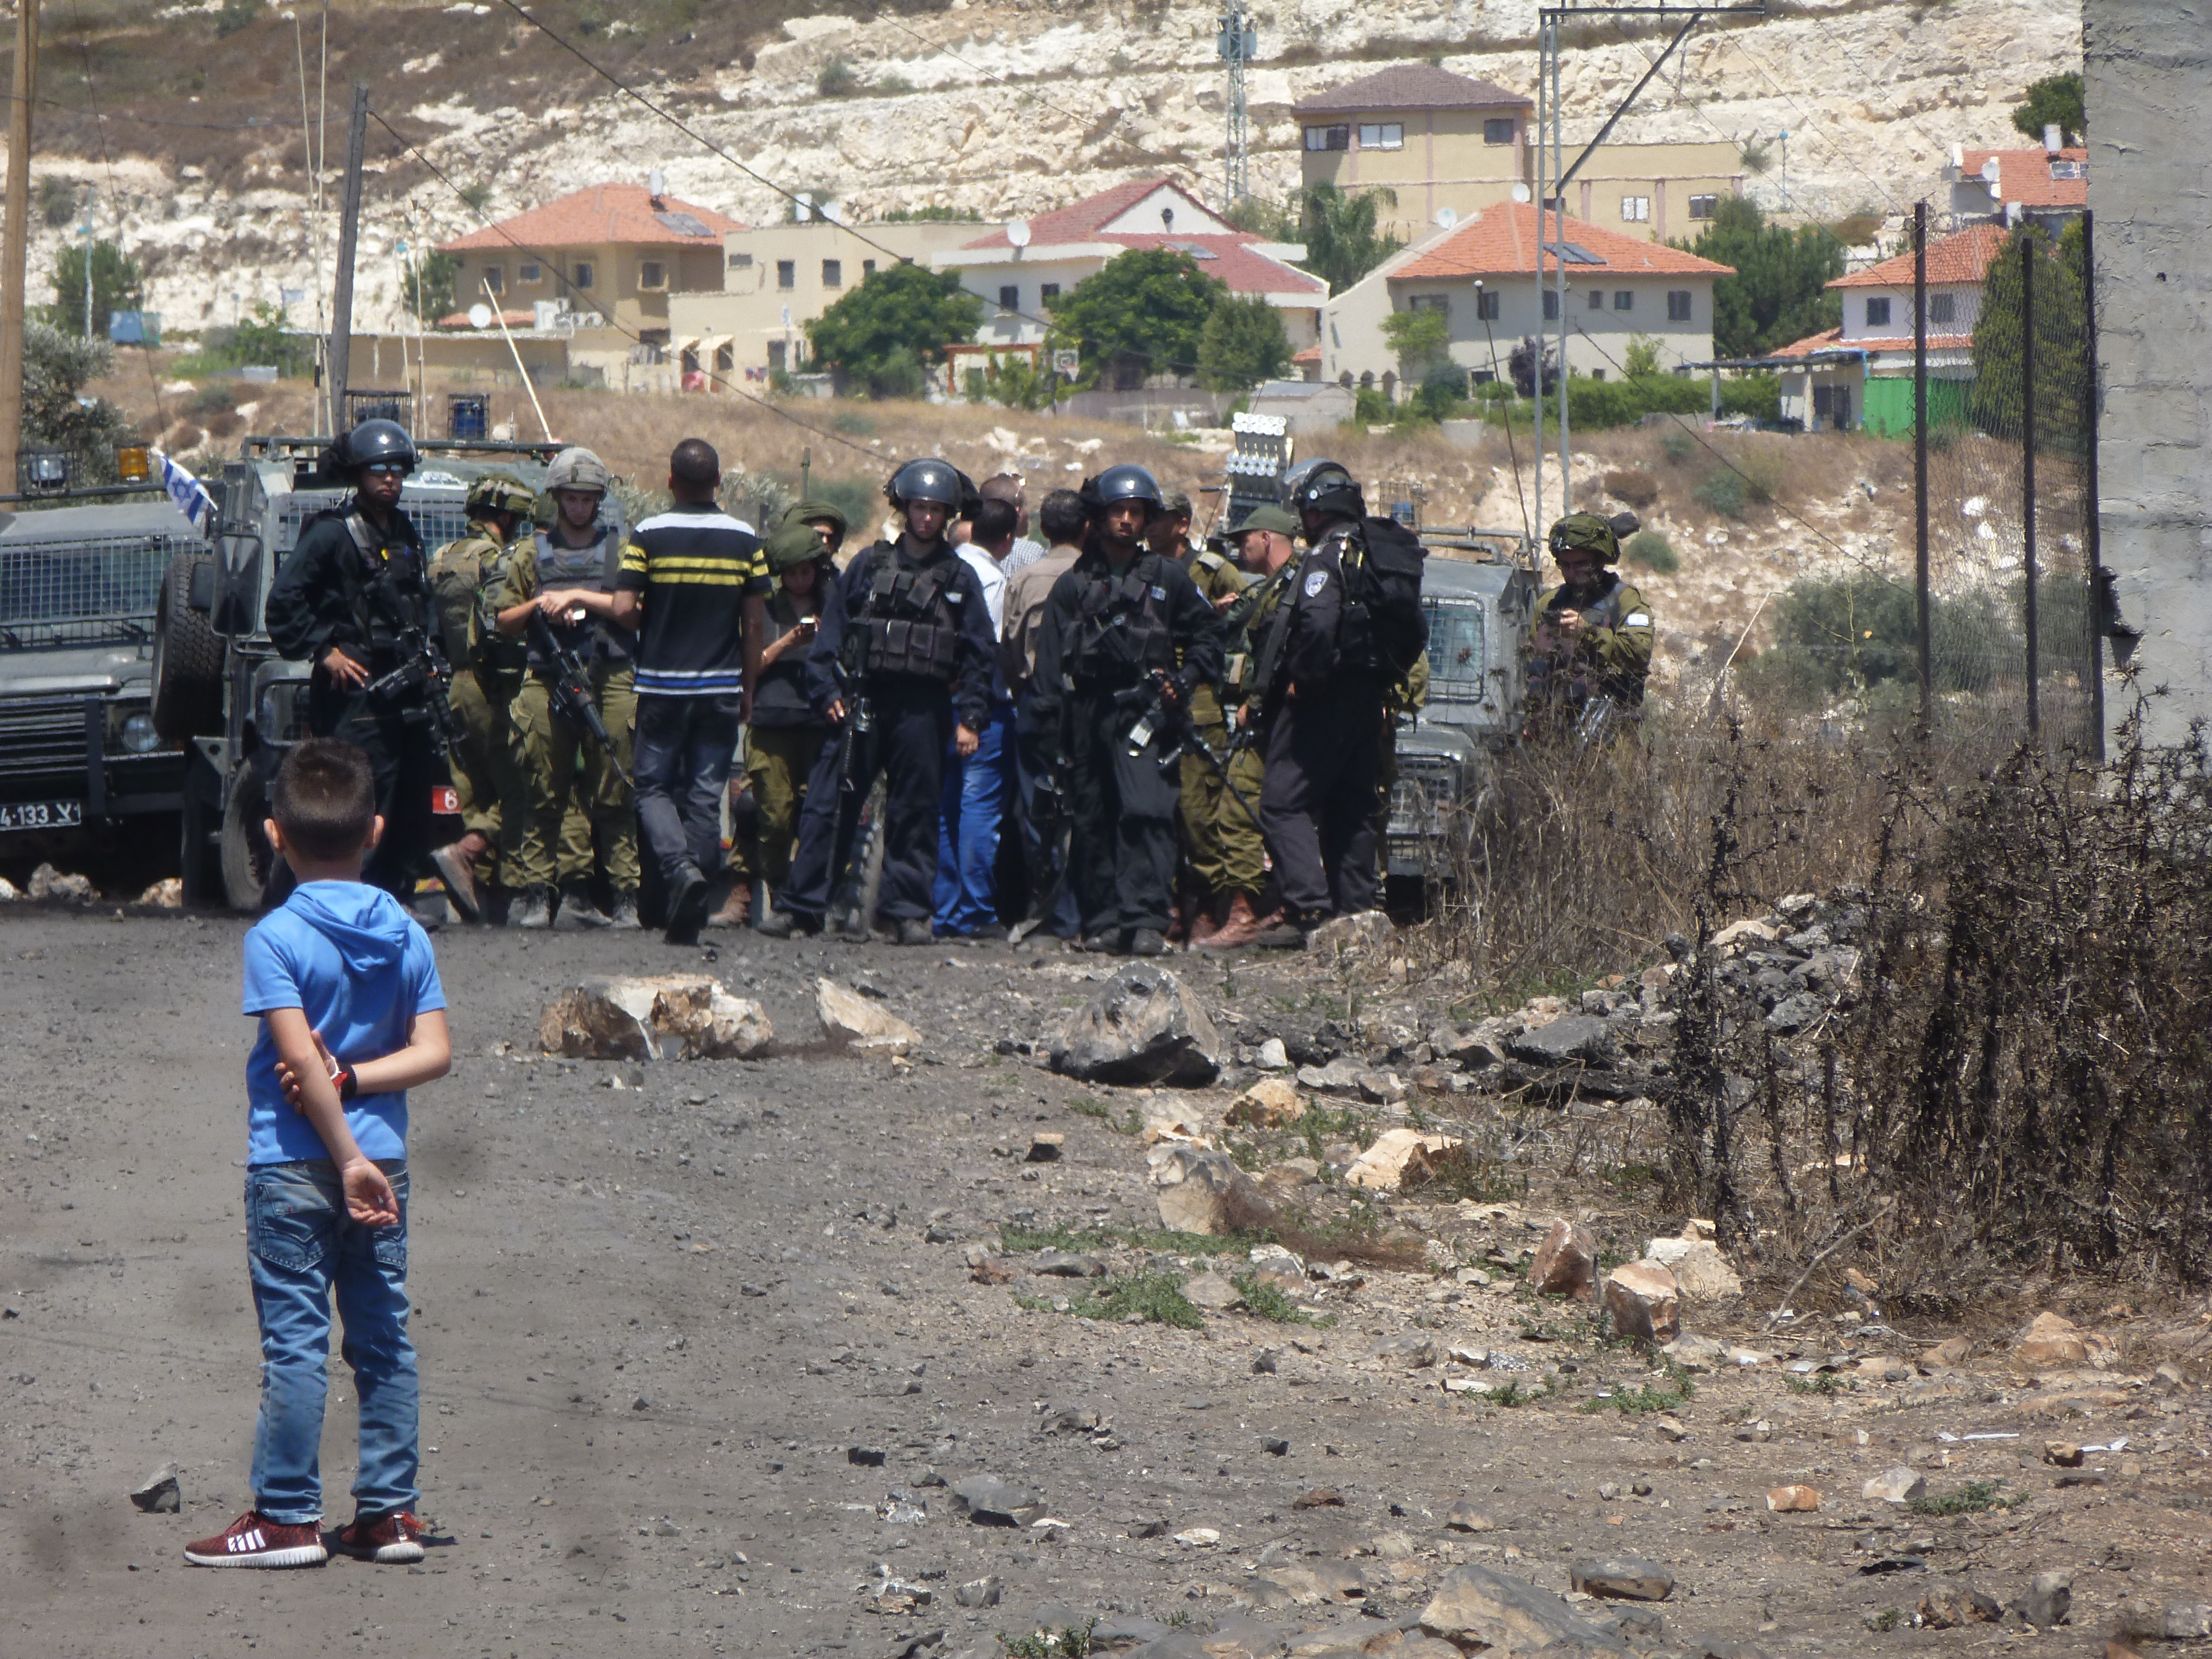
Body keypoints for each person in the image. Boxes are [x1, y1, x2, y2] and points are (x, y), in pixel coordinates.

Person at [185, 737, 451, 1570]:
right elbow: (434, 1052)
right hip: (386, 1163)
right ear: (374, 829)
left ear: (273, 834)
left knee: (296, 1343)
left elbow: (302, 1063)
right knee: (382, 1338)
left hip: (299, 1167)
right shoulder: (408, 931)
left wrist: (343, 1148)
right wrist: (363, 1086)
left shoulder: (276, 936)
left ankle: (289, 1516)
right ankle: (390, 1514)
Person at [763, 458, 995, 944]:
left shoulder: (959, 577)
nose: (927, 518)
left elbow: (979, 652)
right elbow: (832, 635)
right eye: (919, 507)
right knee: (828, 804)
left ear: (947, 514)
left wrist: (971, 718)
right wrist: (826, 691)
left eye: (935, 509)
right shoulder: (869, 566)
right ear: (904, 508)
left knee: (915, 810)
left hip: (924, 706)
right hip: (861, 700)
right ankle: (804, 907)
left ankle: (906, 913)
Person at [1028, 464, 1224, 956]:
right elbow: (1049, 667)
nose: (1127, 521)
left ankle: (1146, 920)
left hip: (1147, 714)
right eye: (1118, 511)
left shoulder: (1169, 578)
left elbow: (1207, 635)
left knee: (1148, 814)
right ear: (1099, 518)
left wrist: (1187, 681)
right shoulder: (1074, 586)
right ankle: (1105, 921)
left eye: (1136, 512)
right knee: (1093, 816)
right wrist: (1051, 739)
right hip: (1089, 715)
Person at [264, 419, 443, 906]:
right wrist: (325, 652)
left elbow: (419, 602)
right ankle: (326, 900)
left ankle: (393, 899)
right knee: (358, 796)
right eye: (378, 470)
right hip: (357, 695)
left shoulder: (404, 531)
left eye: (397, 470)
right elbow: (283, 601)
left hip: (404, 687)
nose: (389, 479)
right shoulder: (331, 534)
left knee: (410, 798)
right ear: (357, 474)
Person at [1252, 460, 1428, 944]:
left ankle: (1309, 912)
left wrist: (1304, 680)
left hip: (1323, 697)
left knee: (1282, 803)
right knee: (1352, 807)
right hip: (1369, 699)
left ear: (1316, 511)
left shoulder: (1327, 559)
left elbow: (1318, 624)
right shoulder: (1376, 557)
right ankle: (1356, 916)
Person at [612, 438, 769, 946]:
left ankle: (679, 870)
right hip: (721, 688)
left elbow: (622, 608)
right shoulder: (746, 540)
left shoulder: (648, 534)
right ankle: (695, 900)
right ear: (719, 481)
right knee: (707, 794)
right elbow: (753, 626)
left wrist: (654, 621)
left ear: (671, 481)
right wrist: (748, 688)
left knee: (654, 788)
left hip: (661, 687)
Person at [493, 447, 641, 931]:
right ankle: (539, 896)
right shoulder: (529, 554)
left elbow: (632, 611)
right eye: (571, 498)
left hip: (610, 676)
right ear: (557, 498)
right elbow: (503, 621)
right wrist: (541, 605)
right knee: (543, 789)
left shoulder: (621, 551)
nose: (579, 507)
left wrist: (576, 597)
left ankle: (626, 899)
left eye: (588, 499)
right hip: (547, 677)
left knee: (616, 789)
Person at [427, 473, 537, 922]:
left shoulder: (441, 558)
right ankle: (469, 854)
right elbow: (498, 624)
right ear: (507, 517)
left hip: (454, 683)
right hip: (492, 684)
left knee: (472, 791)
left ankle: (476, 895)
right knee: (521, 784)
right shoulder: (498, 560)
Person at [1193, 503, 1301, 952]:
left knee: (1239, 812)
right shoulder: (1275, 587)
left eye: (1245, 539)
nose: (1240, 548)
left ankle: (1246, 915)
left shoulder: (1294, 586)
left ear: (1267, 539)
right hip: (1269, 716)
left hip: (1282, 720)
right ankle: (1269, 910)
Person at [718, 520, 834, 929]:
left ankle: (808, 904)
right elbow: (753, 664)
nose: (801, 580)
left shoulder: (833, 605)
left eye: (808, 572)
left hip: (819, 724)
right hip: (771, 722)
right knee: (773, 816)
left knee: (817, 817)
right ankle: (780, 896)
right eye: (794, 573)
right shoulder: (764, 607)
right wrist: (789, 642)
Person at [999, 487, 1087, 941]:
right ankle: (1078, 912)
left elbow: (1010, 648)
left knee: (1038, 810)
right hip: (1088, 710)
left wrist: (1024, 689)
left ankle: (1045, 906)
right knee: (1085, 808)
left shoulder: (1025, 579)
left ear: (1043, 530)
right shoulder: (1096, 576)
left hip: (1038, 705)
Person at [1168, 492, 1252, 944]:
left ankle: (1205, 905)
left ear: (1180, 524)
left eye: (1158, 518)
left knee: (1200, 816)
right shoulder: (1140, 569)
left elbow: (1245, 629)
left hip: (1203, 707)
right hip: (1154, 707)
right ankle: (1170, 906)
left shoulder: (1215, 572)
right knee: (1160, 816)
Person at [933, 494, 1017, 938]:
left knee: (946, 810)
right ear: (1008, 539)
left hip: (935, 704)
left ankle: (944, 912)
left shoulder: (941, 566)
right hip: (982, 709)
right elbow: (986, 650)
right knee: (979, 811)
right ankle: (977, 911)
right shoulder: (991, 579)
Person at [1528, 511, 1654, 733]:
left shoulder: (1624, 600)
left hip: (1609, 735)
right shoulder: (1548, 603)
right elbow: (1528, 662)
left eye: (1580, 564)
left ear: (1599, 562)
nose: (1571, 573)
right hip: (1551, 735)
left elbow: (1639, 655)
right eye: (1565, 565)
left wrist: (1587, 633)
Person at [984, 473, 1047, 575]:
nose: (1027, 511)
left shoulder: (964, 547)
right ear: (1017, 511)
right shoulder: (1033, 554)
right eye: (1025, 505)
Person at [783, 497, 850, 564]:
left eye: (831, 539)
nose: (825, 541)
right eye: (819, 536)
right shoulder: (785, 571)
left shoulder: (840, 574)